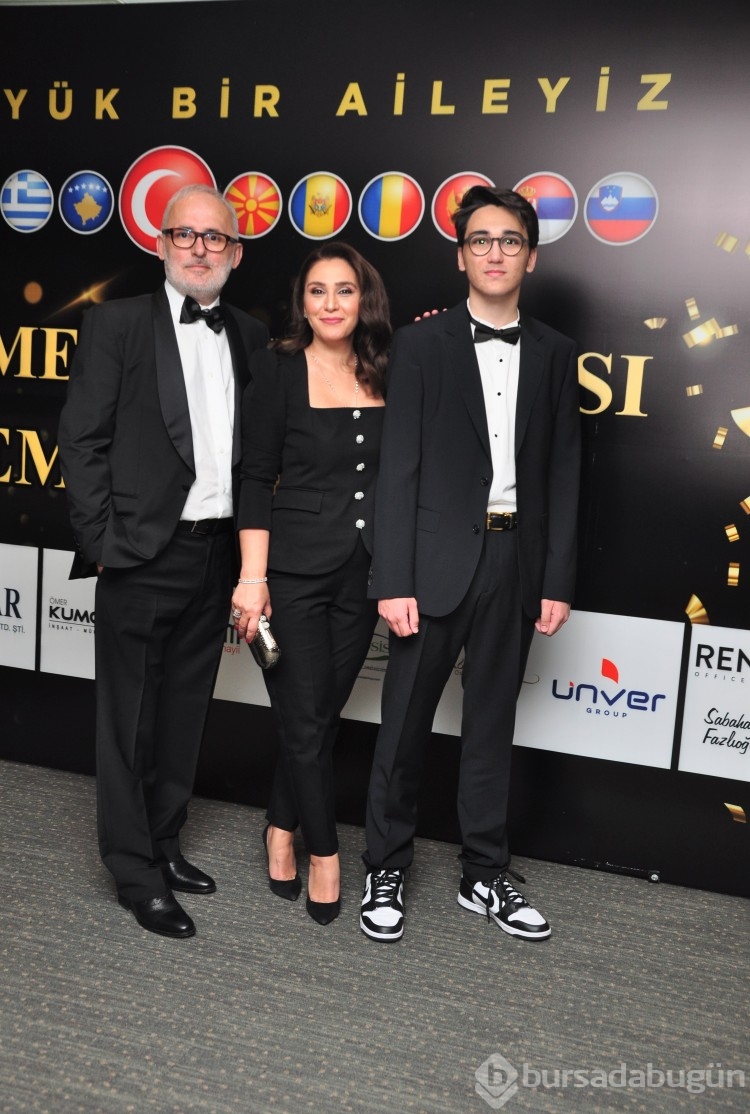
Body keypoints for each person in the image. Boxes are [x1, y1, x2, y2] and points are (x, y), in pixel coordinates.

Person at [360, 185, 580, 943]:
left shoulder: (555, 353)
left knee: (492, 725)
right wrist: (393, 578)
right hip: (431, 564)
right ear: (461, 256)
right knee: (403, 727)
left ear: (530, 256)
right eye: (480, 240)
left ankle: (485, 872)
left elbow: (564, 473)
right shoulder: (420, 345)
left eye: (509, 240)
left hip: (516, 560)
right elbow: (398, 471)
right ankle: (385, 864)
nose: (494, 253)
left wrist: (556, 579)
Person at [58, 184, 268, 939]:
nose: (199, 249)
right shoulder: (115, 324)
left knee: (184, 713)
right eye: (185, 234)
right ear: (160, 243)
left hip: (217, 554)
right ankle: (134, 871)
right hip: (141, 554)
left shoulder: (250, 334)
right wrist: (103, 543)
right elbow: (81, 440)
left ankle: (165, 842)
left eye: (215, 238)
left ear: (236, 252)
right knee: (128, 722)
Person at [232, 242, 390, 925]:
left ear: (364, 299)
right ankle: (323, 853)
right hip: (290, 575)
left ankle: (278, 823)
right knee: (302, 718)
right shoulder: (277, 367)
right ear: (302, 301)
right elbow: (254, 477)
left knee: (319, 716)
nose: (330, 304)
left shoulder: (388, 366)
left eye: (344, 290)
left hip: (365, 574)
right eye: (317, 291)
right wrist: (252, 578)